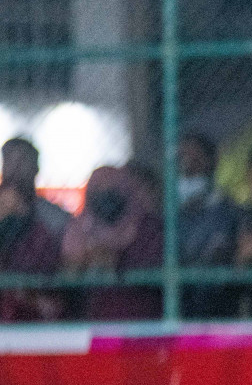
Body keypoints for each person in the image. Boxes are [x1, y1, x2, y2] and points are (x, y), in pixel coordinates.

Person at [60, 165, 163, 321]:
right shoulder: (78, 229)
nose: (106, 194)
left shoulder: (147, 225)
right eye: (98, 188)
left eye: (112, 187)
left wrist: (118, 260)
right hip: (90, 319)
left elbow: (153, 269)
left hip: (141, 319)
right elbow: (66, 277)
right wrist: (83, 261)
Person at [177, 132, 239, 317]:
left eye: (195, 161)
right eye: (182, 161)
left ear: (213, 162)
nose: (187, 168)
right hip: (181, 308)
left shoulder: (227, 211)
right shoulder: (168, 214)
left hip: (219, 308)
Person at [0, 180, 63, 322]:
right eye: (3, 207)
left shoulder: (41, 237)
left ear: (25, 208)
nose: (7, 213)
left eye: (15, 207)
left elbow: (47, 292)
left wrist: (28, 297)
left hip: (31, 320)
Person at [1, 137, 71, 238]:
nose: (15, 168)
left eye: (22, 161)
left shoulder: (53, 216)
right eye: (10, 161)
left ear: (35, 167)